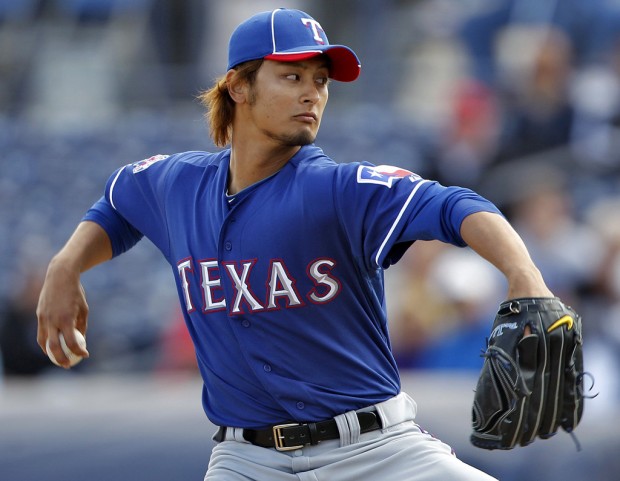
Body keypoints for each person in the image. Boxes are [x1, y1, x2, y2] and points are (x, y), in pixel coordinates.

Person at [37, 8, 557, 481]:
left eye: (321, 80)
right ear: (239, 86)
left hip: (377, 453)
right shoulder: (177, 185)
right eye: (292, 77)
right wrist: (66, 267)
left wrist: (526, 277)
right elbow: (118, 203)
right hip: (246, 461)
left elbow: (458, 206)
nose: (313, 93)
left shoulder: (338, 189)